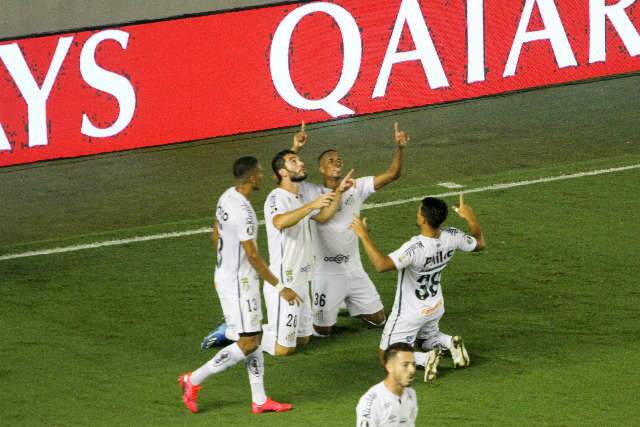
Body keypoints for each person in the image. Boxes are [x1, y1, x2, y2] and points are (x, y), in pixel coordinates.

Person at [179, 156, 302, 414]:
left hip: (227, 276)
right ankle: (194, 380)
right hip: (239, 284)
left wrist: (226, 266)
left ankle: (259, 399)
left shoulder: (227, 196)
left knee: (253, 337)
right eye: (259, 172)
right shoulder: (245, 213)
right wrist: (282, 289)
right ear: (251, 178)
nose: (262, 176)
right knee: (247, 343)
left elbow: (216, 232)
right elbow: (253, 256)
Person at [351, 194, 486, 381]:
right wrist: (470, 217)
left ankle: (425, 359)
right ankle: (448, 343)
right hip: (435, 306)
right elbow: (479, 243)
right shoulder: (452, 236)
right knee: (424, 340)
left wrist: (363, 234)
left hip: (410, 313)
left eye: (418, 211)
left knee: (386, 358)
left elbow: (381, 265)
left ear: (423, 219)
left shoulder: (415, 248)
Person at [291, 121, 409, 337]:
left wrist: (400, 147)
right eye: (331, 160)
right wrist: (295, 148)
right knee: (322, 331)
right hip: (326, 273)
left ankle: (346, 301)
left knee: (379, 320)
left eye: (339, 160)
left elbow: (392, 174)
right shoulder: (310, 192)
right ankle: (325, 306)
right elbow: (283, 175)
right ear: (321, 168)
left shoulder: (356, 187)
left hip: (354, 270)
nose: (337, 163)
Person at [261, 143, 354, 356]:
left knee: (303, 340)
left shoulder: (298, 197)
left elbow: (323, 216)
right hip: (285, 280)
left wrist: (338, 191)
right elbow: (279, 222)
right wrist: (312, 206)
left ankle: (270, 328)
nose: (301, 162)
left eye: (299, 159)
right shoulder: (276, 198)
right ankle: (247, 336)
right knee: (283, 350)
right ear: (282, 172)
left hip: (303, 278)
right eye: (294, 161)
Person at [355, 342, 418, 427]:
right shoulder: (372, 402)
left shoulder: (410, 394)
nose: (412, 370)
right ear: (389, 367)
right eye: (405, 365)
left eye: (413, 364)